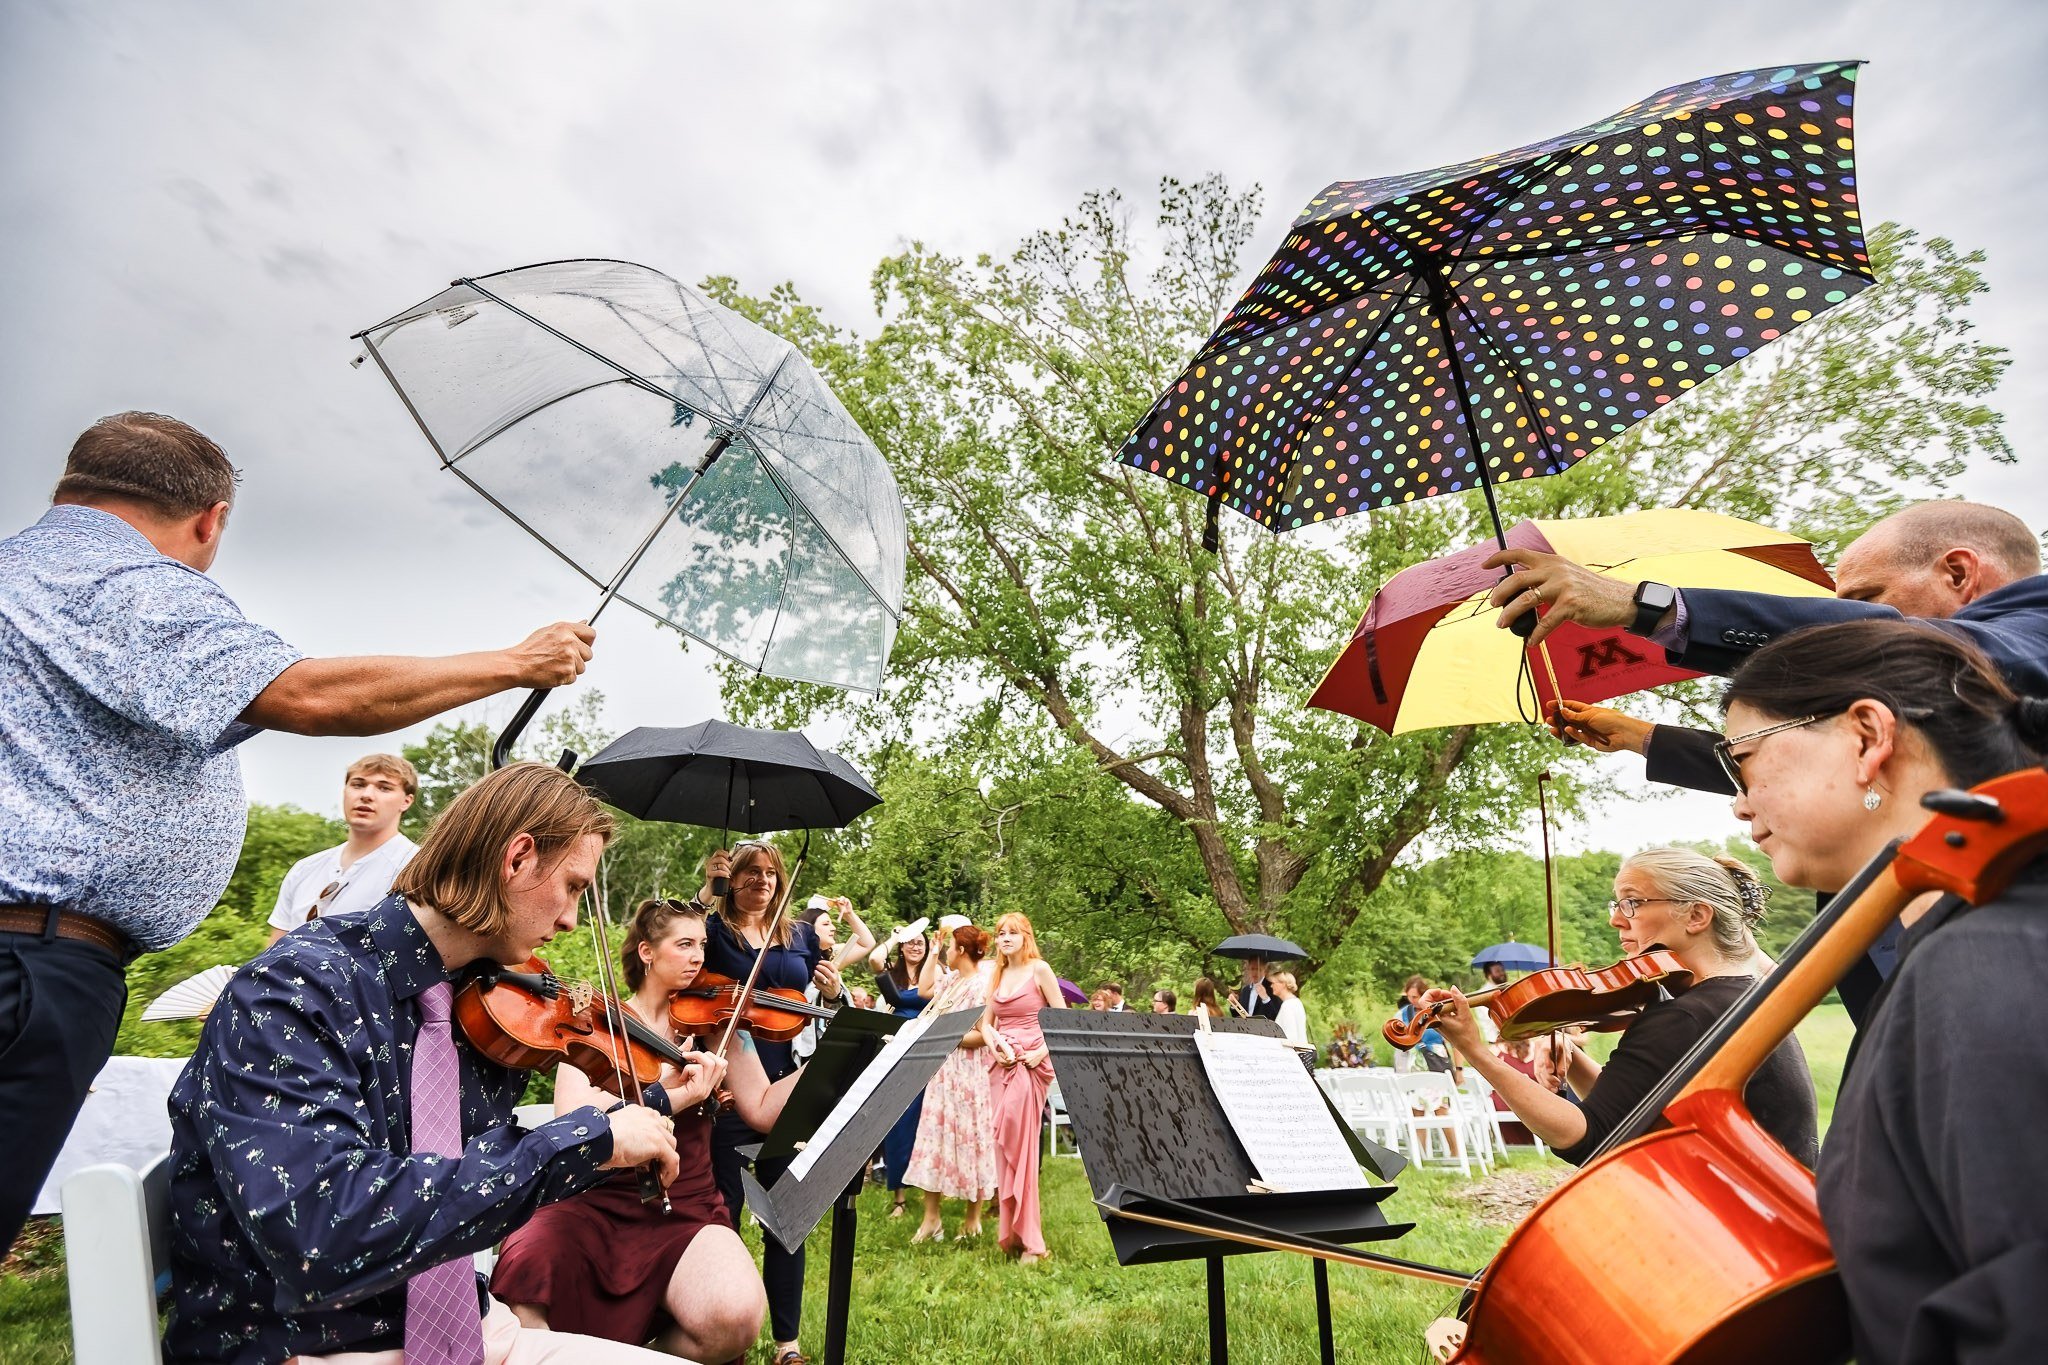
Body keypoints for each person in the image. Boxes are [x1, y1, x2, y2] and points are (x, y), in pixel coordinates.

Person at [0, 412, 597, 1256]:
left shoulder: (22, 571)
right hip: (30, 965)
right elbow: (309, 694)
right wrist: (519, 662)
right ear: (211, 519)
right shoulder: (125, 579)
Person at [163, 762, 679, 1365]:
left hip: (472, 1327)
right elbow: (321, 1231)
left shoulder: (475, 1002)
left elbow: (473, 1173)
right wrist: (582, 1144)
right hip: (311, 1345)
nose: (568, 919)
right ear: (516, 859)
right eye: (571, 886)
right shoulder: (296, 987)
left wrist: (656, 1104)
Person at [1714, 619, 2048, 1362]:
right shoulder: (1965, 949)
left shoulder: (1985, 962)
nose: (1738, 804)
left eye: (1743, 761)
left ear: (1868, 736)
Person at [492, 897, 798, 1360]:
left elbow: (762, 1109)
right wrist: (675, 1095)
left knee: (735, 1318)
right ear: (647, 952)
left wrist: (829, 1061)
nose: (698, 956)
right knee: (527, 1287)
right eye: (684, 944)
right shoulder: (597, 1022)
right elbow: (571, 1122)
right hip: (589, 1202)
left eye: (702, 944)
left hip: (685, 1206)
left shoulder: (717, 1028)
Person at [1432, 846, 1817, 1171]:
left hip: (1736, 1229)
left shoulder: (1688, 1015)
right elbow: (1636, 1111)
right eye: (1617, 903)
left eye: (1632, 902)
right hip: (1774, 1214)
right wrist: (1575, 1060)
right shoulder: (1741, 997)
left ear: (1697, 916)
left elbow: (1593, 1137)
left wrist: (1476, 1051)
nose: (1616, 919)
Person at [697, 842, 841, 1365]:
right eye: (750, 872)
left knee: (785, 1217)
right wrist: (705, 891)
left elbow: (822, 1007)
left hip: (787, 1084)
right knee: (725, 1215)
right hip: (732, 1084)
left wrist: (830, 991)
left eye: (770, 873)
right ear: (731, 879)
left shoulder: (799, 935)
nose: (762, 881)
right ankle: (721, 1336)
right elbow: (681, 964)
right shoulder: (712, 931)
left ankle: (788, 1345)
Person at [904, 925, 998, 1244]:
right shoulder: (953, 981)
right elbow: (923, 989)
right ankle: (932, 1220)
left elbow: (982, 1034)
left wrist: (945, 1034)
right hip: (942, 1072)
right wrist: (933, 950)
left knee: (972, 1140)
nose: (947, 953)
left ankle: (972, 1221)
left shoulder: (982, 985)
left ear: (961, 950)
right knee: (934, 1139)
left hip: (970, 1075)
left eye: (949, 948)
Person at [266, 753, 421, 944]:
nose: (366, 795)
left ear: (406, 801)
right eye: (358, 784)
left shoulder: (417, 868)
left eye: (384, 788)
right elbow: (273, 951)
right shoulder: (304, 869)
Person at [981, 912, 1064, 1264]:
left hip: (1031, 1065)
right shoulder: (997, 973)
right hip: (1001, 1065)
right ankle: (1011, 1234)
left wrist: (1037, 1052)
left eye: (1012, 933)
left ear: (1025, 936)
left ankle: (1033, 1242)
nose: (1005, 939)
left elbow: (1062, 1020)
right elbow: (986, 1023)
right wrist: (995, 1046)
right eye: (1000, 934)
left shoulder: (1039, 969)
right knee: (1003, 1148)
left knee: (1023, 1149)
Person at [867, 922, 935, 1217]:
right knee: (899, 1123)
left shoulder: (935, 974)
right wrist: (896, 936)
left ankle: (932, 1189)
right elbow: (873, 960)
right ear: (902, 946)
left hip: (930, 1051)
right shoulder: (892, 976)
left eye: (920, 942)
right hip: (898, 1051)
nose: (916, 946)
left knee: (929, 1123)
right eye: (910, 942)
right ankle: (899, 1197)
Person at [1229, 955, 1282, 1021]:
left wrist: (1265, 998)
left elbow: (1276, 1016)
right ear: (1248, 969)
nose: (1254, 973)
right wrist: (1234, 1004)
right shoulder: (1245, 990)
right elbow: (1238, 1017)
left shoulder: (1272, 988)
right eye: (1252, 969)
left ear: (1264, 970)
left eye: (1258, 969)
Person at [1270, 971, 1309, 1047]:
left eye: (1273, 983)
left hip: (1292, 1054)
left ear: (1283, 984)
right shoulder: (1296, 1002)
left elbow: (1290, 1037)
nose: (1271, 986)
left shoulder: (1287, 1005)